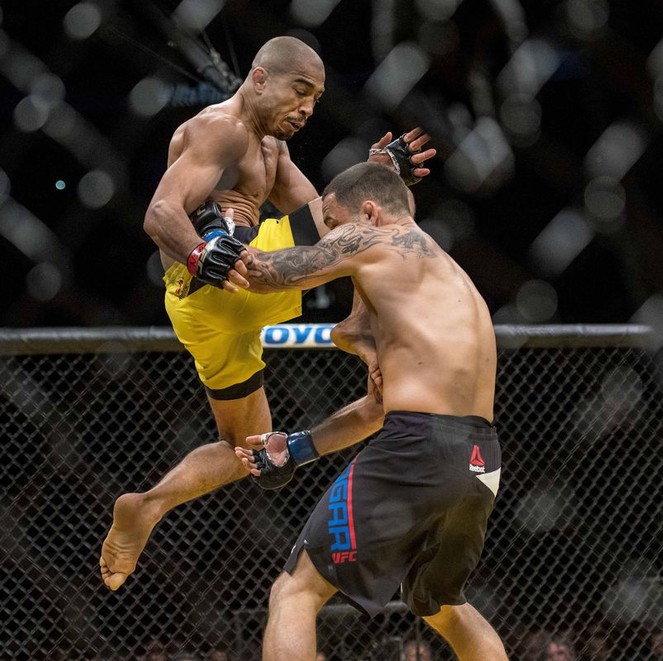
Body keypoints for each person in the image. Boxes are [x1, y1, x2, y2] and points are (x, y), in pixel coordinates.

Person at [100, 34, 435, 591]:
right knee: (377, 218)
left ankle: (147, 506)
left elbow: (324, 212)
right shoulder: (222, 129)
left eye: (316, 99)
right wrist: (200, 251)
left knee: (248, 450)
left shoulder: (271, 147)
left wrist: (373, 171)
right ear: (259, 78)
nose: (307, 108)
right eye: (299, 90)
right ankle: (360, 330)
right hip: (223, 279)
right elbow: (160, 212)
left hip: (205, 310)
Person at [234, 162, 506, 661]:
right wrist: (296, 449)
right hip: (479, 460)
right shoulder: (439, 276)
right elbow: (375, 410)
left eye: (332, 223)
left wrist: (208, 241)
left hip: (418, 445)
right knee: (444, 607)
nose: (331, 236)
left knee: (294, 592)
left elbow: (265, 272)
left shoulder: (375, 240)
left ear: (368, 212)